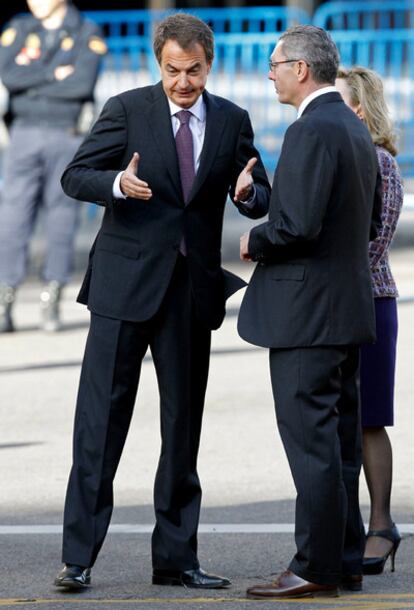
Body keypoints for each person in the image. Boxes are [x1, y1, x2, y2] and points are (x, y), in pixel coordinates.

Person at [54, 12, 270, 591]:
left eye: (193, 71)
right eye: (173, 71)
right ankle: (78, 558)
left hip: (189, 292)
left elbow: (256, 190)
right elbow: (76, 175)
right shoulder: (127, 109)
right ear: (160, 64)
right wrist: (116, 186)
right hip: (123, 287)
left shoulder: (231, 120)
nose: (183, 83)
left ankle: (176, 558)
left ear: (209, 64)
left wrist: (251, 196)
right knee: (100, 425)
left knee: (183, 427)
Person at [238, 25, 382, 599]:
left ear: (301, 69)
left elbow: (296, 225)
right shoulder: (350, 126)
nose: (269, 74)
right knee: (339, 444)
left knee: (313, 445)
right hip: (344, 308)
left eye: (274, 65)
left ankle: (315, 565)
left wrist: (256, 237)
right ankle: (343, 557)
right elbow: (363, 223)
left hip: (307, 314)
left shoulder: (311, 128)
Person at [0, 0, 105, 332]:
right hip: (24, 134)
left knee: (62, 217)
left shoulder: (86, 31)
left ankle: (52, 297)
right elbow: (7, 73)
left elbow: (81, 84)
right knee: (13, 217)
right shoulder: (18, 28)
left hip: (66, 135)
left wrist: (31, 80)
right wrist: (53, 73)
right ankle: (5, 297)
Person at [336, 67, 403, 575]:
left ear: (359, 109)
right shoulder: (338, 153)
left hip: (371, 302)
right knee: (339, 420)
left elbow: (372, 244)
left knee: (369, 419)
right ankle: (345, 528)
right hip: (333, 304)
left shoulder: (380, 161)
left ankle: (381, 525)